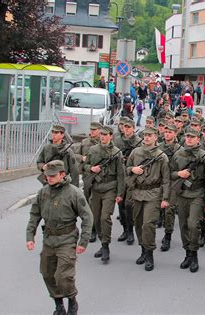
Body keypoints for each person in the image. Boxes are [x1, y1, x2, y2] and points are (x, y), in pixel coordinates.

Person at [26, 160, 93, 315]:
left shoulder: (74, 192)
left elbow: (87, 217)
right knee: (47, 273)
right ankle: (59, 304)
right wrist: (30, 236)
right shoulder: (43, 192)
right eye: (47, 175)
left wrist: (83, 241)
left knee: (63, 276)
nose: (49, 178)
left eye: (53, 175)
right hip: (49, 239)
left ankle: (72, 301)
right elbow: (34, 215)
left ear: (62, 174)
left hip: (67, 239)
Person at [126, 127, 170, 271]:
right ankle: (143, 250)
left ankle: (150, 253)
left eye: (150, 135)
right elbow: (126, 168)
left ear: (156, 137)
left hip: (153, 193)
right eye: (145, 135)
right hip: (138, 192)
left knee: (148, 224)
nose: (146, 137)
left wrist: (165, 198)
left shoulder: (161, 156)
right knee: (138, 223)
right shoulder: (136, 152)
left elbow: (166, 180)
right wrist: (133, 170)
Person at [170, 128, 205, 272]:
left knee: (193, 224)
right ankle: (187, 253)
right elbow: (170, 173)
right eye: (187, 136)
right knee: (183, 226)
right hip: (182, 194)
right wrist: (178, 173)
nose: (189, 139)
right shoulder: (178, 154)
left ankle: (194, 254)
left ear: (198, 139)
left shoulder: (204, 156)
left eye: (192, 137)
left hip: (197, 194)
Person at [83, 126, 125, 262]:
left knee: (105, 217)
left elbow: (121, 175)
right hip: (95, 188)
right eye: (101, 134)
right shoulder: (93, 150)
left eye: (105, 134)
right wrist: (91, 168)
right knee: (95, 218)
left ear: (111, 136)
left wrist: (120, 193)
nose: (102, 137)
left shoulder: (117, 153)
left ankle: (106, 245)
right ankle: (102, 242)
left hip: (110, 188)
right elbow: (82, 166)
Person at [158, 124, 182, 251]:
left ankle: (168, 235)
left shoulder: (179, 150)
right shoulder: (158, 147)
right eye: (166, 132)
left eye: (170, 132)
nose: (167, 134)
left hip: (173, 182)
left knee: (169, 210)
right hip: (159, 181)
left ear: (175, 134)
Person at [76, 122, 101, 243]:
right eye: (91, 129)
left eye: (95, 130)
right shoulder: (84, 142)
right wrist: (81, 158)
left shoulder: (103, 143)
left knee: (95, 205)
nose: (92, 132)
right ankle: (89, 228)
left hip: (100, 178)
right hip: (87, 176)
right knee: (87, 205)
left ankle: (94, 230)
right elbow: (74, 154)